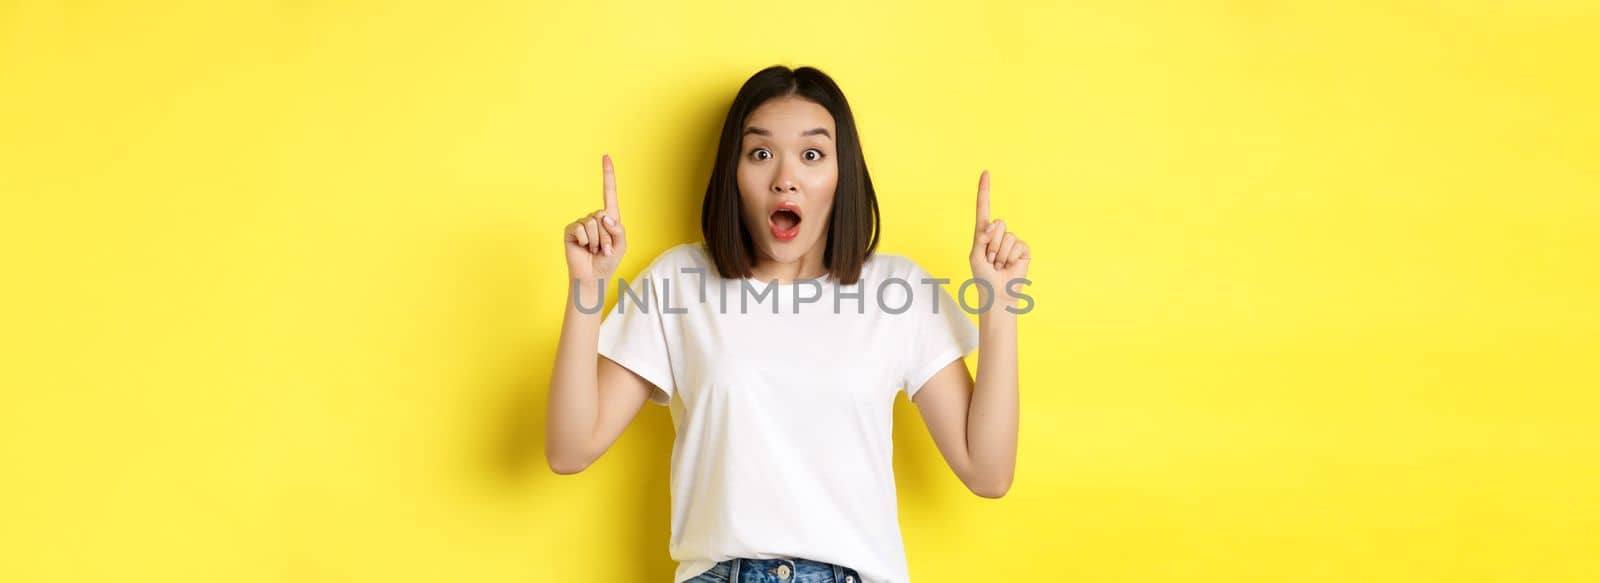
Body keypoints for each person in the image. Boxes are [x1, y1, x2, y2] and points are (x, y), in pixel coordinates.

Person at [547, 65, 1027, 583]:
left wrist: (998, 305)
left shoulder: (901, 292)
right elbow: (570, 449)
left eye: (812, 154)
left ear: (842, 175)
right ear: (734, 172)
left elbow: (988, 472)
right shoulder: (679, 282)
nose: (785, 176)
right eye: (760, 153)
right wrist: (586, 291)